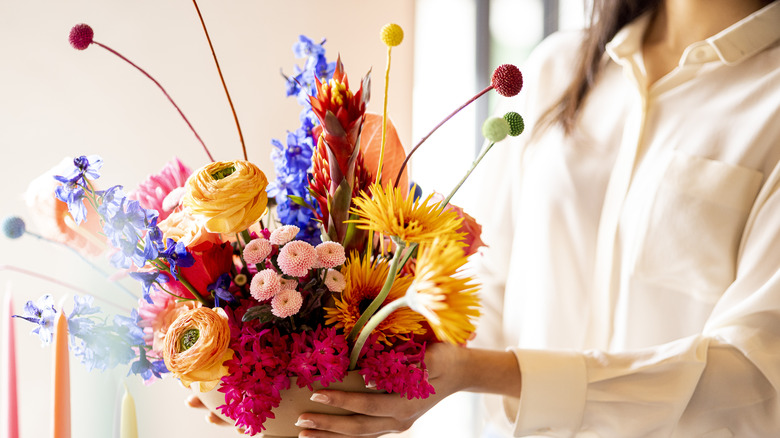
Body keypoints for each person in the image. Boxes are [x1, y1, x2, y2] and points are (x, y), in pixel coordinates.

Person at [192, 0, 780, 436]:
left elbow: (752, 375)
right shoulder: (561, 67)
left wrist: (484, 372)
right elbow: (486, 283)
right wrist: (289, 370)